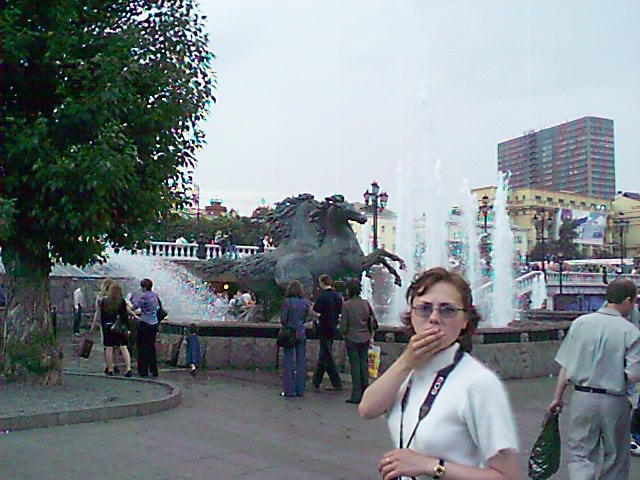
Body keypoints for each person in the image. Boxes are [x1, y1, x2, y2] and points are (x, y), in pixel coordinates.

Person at [359, 267, 519, 480]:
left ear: (465, 321)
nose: (434, 318)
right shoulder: (409, 371)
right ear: (411, 315)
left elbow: (508, 476)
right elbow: (367, 409)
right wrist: (406, 361)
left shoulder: (479, 382)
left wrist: (431, 466)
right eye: (424, 309)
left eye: (447, 310)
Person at [547, 278, 640, 479]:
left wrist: (557, 397)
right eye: (633, 301)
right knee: (615, 457)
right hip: (614, 400)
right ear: (627, 300)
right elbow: (633, 374)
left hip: (582, 397)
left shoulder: (580, 323)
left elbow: (566, 364)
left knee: (580, 454)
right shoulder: (630, 331)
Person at [339, 279, 377, 404]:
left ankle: (356, 395)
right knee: (364, 365)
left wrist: (343, 333)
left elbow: (343, 325)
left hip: (352, 338)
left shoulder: (347, 305)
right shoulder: (365, 303)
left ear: (349, 290)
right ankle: (366, 392)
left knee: (355, 366)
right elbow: (373, 320)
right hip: (365, 337)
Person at [312, 274, 343, 391]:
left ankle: (336, 382)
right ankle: (316, 380)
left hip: (323, 327)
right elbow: (340, 311)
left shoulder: (322, 296)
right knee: (324, 353)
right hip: (333, 327)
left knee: (327, 356)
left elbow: (317, 311)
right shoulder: (337, 296)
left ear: (322, 283)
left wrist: (312, 312)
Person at [280, 280, 310, 398]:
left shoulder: (287, 302)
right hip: (301, 333)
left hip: (290, 333)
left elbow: (283, 319)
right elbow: (306, 317)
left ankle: (289, 391)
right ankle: (300, 390)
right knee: (301, 362)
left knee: (288, 361)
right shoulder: (304, 302)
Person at [97, 282, 132, 377]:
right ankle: (128, 368)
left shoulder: (104, 301)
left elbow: (102, 317)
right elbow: (124, 316)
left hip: (108, 327)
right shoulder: (121, 301)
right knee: (123, 347)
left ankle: (110, 369)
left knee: (109, 348)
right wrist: (127, 328)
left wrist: (103, 327)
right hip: (119, 328)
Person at [128, 278, 160, 378]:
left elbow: (135, 307)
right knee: (151, 346)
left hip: (145, 323)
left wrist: (129, 301)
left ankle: (143, 370)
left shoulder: (144, 296)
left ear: (145, 287)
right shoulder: (155, 295)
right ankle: (154, 370)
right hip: (154, 323)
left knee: (142, 347)